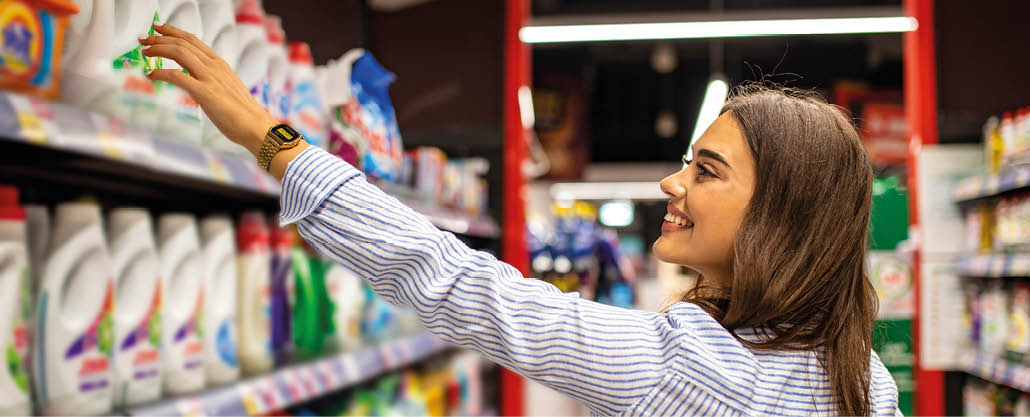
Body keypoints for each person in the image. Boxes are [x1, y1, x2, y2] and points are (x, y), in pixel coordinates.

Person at [138, 22, 900, 416]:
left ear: (779, 216)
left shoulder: (686, 366)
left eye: (705, 170)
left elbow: (453, 280)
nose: (673, 181)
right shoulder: (864, 376)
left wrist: (267, 137)